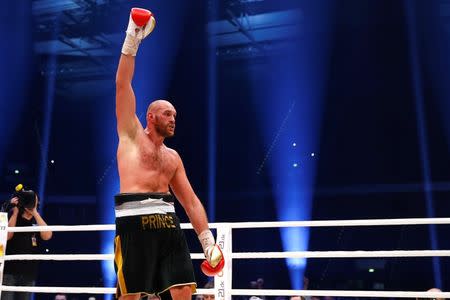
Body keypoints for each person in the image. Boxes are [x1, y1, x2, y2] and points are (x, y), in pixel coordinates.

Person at [114, 7, 224, 300]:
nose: (173, 118)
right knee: (131, 295)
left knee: (184, 291)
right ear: (150, 117)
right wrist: (132, 38)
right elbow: (122, 85)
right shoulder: (131, 135)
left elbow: (190, 201)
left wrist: (208, 243)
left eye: (174, 114)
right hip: (134, 223)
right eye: (166, 113)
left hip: (169, 224)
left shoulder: (172, 158)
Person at [1, 189, 53, 300]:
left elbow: (48, 235)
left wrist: (34, 212)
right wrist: (14, 212)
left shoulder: (37, 222)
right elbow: (7, 236)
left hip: (28, 273)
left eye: (33, 201)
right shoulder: (13, 220)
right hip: (9, 272)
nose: (30, 203)